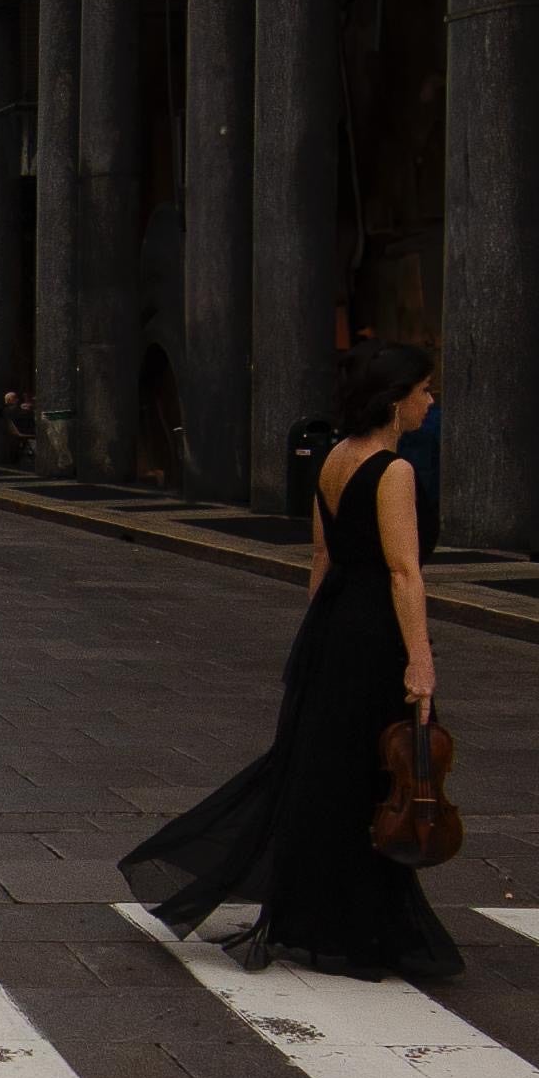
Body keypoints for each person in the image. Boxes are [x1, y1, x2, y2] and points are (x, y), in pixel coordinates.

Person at [123, 336, 460, 982]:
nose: (429, 399)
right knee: (378, 775)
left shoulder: (334, 456)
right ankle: (357, 926)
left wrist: (319, 633)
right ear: (395, 400)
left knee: (330, 771)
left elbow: (321, 556)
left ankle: (321, 915)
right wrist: (419, 660)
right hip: (376, 632)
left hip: (334, 626)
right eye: (423, 390)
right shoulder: (392, 471)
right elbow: (403, 572)